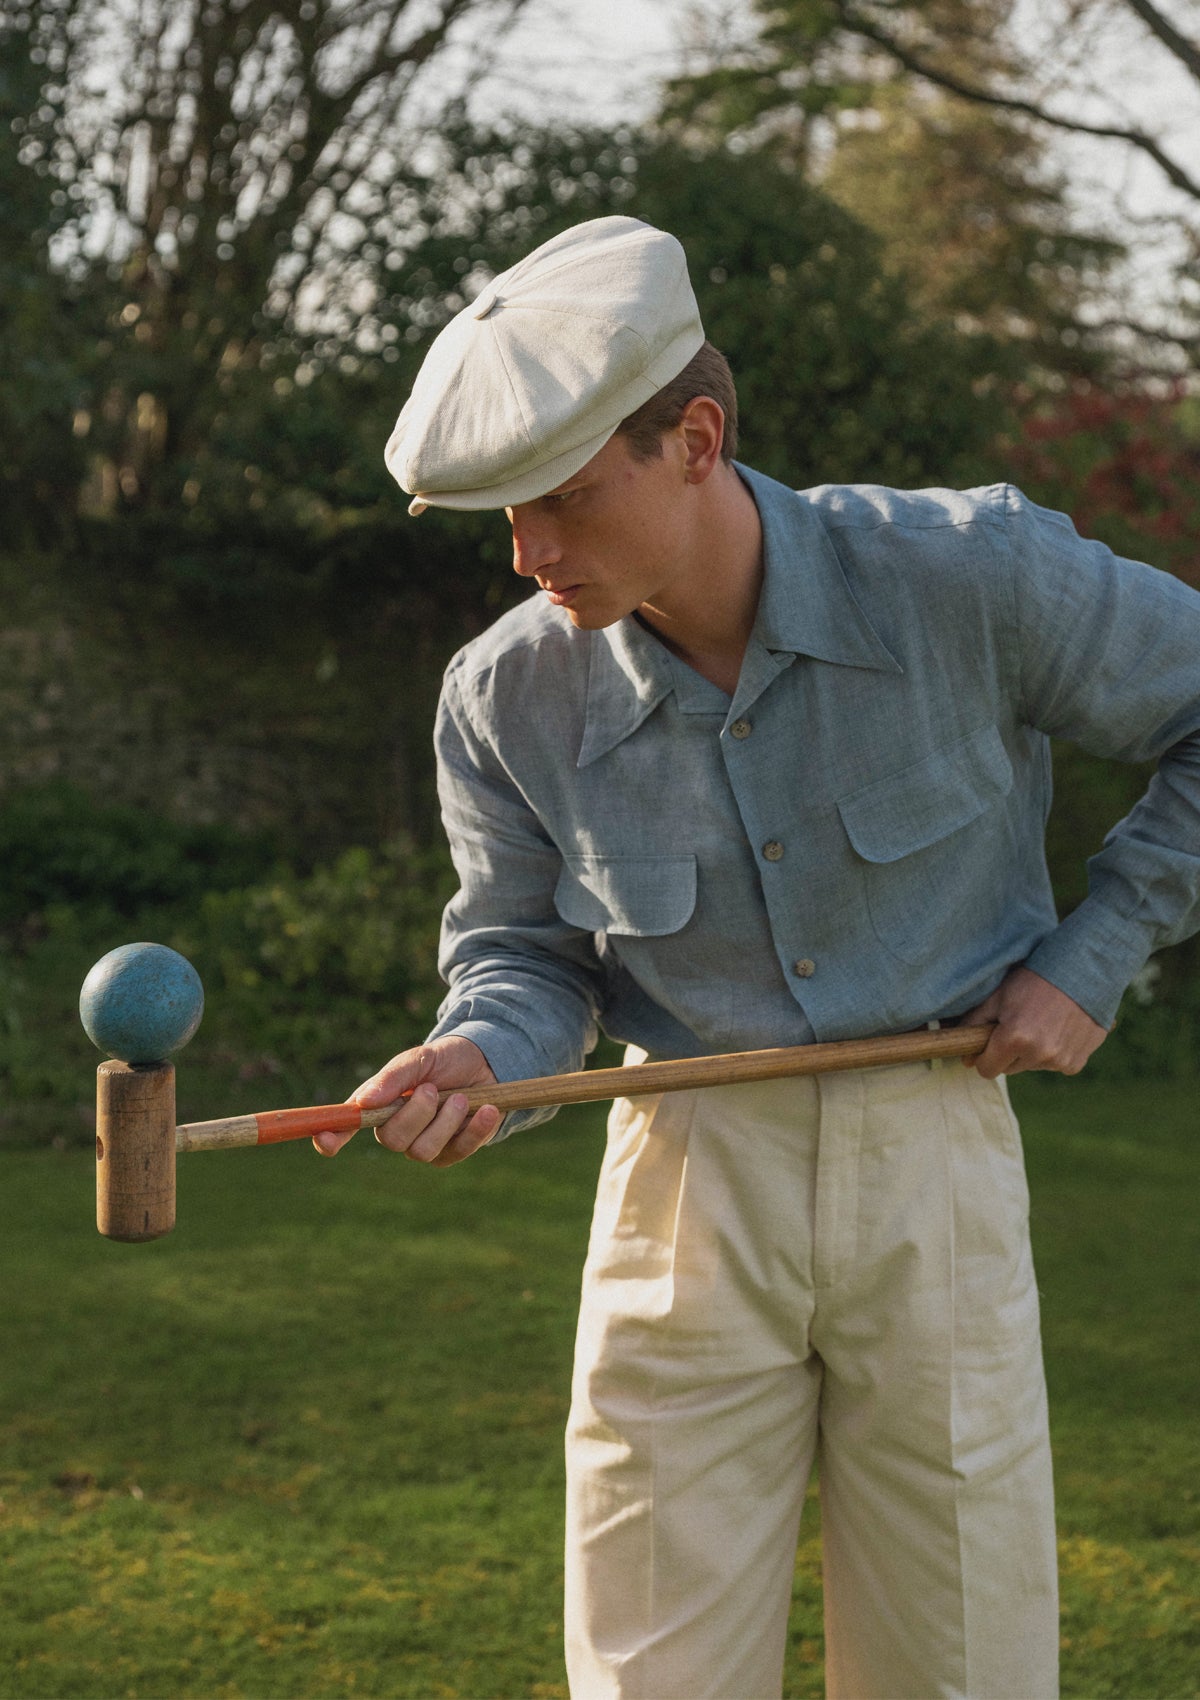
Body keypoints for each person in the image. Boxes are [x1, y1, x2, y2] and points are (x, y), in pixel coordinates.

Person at [314, 217, 1200, 1699]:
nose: (530, 555)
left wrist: (1094, 955)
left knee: (962, 1661)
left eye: (566, 500)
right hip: (678, 1175)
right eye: (503, 518)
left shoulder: (967, 578)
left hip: (934, 1155)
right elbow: (528, 961)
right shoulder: (500, 698)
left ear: (696, 438)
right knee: (650, 1671)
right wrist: (482, 1049)